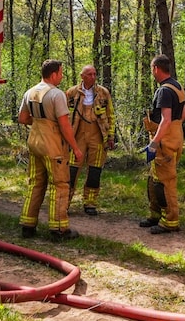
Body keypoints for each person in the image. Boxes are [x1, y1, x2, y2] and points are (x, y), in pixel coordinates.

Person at [17, 59, 84, 240]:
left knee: (36, 183)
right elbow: (64, 125)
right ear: (53, 74)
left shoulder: (29, 92)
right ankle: (59, 229)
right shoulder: (57, 94)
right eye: (61, 73)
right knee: (60, 185)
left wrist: (40, 123)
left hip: (34, 143)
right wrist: (76, 148)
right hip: (53, 146)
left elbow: (23, 118)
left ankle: (27, 225)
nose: (61, 76)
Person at [140, 54, 185, 234]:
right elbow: (182, 116)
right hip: (176, 136)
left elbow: (165, 120)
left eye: (152, 70)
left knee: (166, 182)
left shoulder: (164, 91)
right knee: (154, 179)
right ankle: (155, 214)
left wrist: (154, 143)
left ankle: (170, 221)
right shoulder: (178, 87)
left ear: (156, 69)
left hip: (165, 140)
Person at [65, 64, 115, 216]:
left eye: (94, 74)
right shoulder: (71, 93)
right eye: (89, 74)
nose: (93, 77)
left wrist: (111, 136)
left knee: (95, 170)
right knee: (72, 169)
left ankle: (90, 203)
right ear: (82, 76)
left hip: (98, 135)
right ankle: (65, 201)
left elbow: (111, 115)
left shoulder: (103, 93)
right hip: (77, 135)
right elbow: (63, 115)